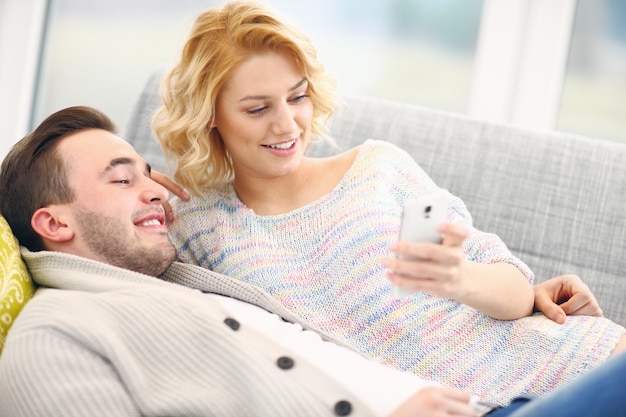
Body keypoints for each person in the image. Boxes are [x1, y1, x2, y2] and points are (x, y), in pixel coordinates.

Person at [2, 106, 626, 417]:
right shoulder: (54, 335)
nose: (156, 191)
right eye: (122, 179)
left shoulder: (191, 279)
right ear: (54, 223)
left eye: (151, 173)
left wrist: (512, 292)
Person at [152, 0, 626, 404]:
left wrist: (457, 277)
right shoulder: (200, 227)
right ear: (209, 115)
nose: (287, 125)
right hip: (457, 406)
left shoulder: (378, 168)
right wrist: (131, 182)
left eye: (298, 97)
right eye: (257, 108)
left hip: (563, 364)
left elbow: (518, 295)